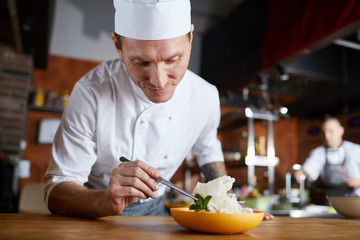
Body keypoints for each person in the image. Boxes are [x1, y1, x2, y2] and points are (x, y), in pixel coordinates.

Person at [44, 0, 273, 219]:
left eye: (173, 59)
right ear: (117, 46)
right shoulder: (91, 92)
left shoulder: (205, 96)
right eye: (141, 63)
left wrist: (231, 207)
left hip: (156, 210)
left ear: (191, 38)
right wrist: (105, 201)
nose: (159, 81)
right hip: (92, 209)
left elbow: (208, 150)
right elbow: (56, 192)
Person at [294, 117, 360, 197]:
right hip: (332, 202)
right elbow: (308, 170)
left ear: (341, 131)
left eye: (331, 131)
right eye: (323, 132)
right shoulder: (318, 153)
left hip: (356, 200)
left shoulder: (356, 150)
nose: (326, 136)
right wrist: (301, 174)